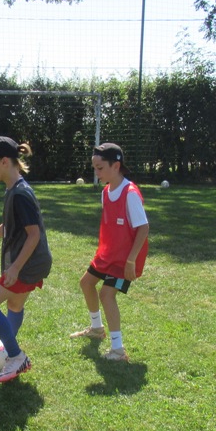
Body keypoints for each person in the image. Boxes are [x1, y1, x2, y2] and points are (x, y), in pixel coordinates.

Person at [0, 136, 52, 384]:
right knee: (14, 306)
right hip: (34, 263)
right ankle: (9, 352)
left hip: (27, 265)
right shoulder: (14, 189)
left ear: (4, 161)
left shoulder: (20, 194)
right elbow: (12, 224)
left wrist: (15, 268)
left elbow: (33, 235)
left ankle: (16, 356)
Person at [69, 143, 149, 361]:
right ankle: (97, 329)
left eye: (100, 168)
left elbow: (143, 228)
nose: (96, 173)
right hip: (107, 255)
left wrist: (131, 261)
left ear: (116, 166)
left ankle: (118, 350)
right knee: (86, 283)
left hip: (124, 260)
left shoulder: (130, 193)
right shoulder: (106, 191)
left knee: (106, 294)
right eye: (94, 168)